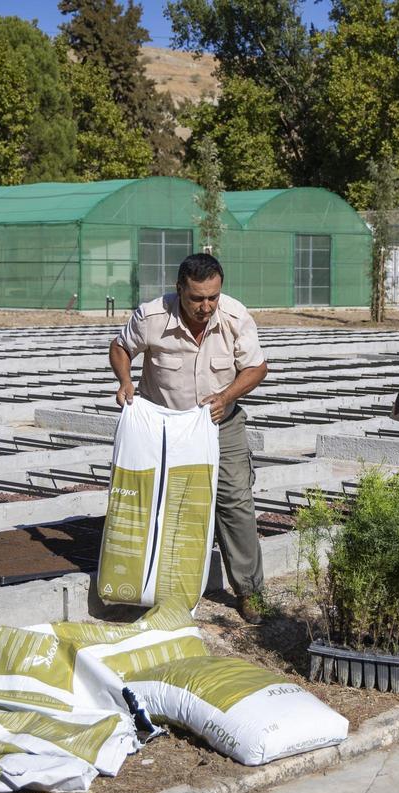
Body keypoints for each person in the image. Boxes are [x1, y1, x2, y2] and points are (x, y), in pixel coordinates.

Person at [109, 253, 270, 623]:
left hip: (220, 424)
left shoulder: (233, 316)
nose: (206, 306)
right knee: (162, 503)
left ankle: (249, 592)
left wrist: (226, 396)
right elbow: (120, 347)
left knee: (234, 502)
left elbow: (257, 367)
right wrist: (125, 381)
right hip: (166, 427)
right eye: (197, 298)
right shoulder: (151, 317)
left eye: (212, 297)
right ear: (179, 289)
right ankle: (156, 589)